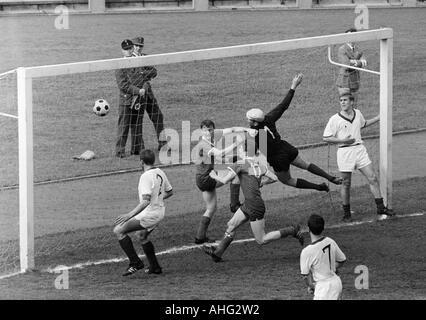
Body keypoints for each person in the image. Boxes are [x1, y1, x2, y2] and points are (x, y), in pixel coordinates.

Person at [244, 73, 342, 195]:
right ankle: (331, 178)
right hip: (286, 148)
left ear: (254, 122)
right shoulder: (269, 119)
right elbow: (283, 106)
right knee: (306, 165)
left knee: (287, 180)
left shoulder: (255, 134)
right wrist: (293, 86)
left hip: (278, 159)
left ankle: (319, 187)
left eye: (248, 119)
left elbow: (255, 154)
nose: (247, 120)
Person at [203, 154, 304, 263]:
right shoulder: (258, 166)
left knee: (261, 240)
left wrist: (213, 175)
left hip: (255, 206)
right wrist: (262, 183)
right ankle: (218, 253)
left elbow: (224, 180)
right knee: (231, 225)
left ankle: (292, 230)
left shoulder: (240, 164)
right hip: (249, 204)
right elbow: (274, 178)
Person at [323, 90, 394, 221]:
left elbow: (364, 123)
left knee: (372, 178)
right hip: (345, 152)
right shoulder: (334, 119)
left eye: (345, 100)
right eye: (341, 101)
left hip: (360, 150)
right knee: (346, 183)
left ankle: (380, 208)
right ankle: (346, 213)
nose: (342, 103)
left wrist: (379, 118)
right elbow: (326, 137)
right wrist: (343, 140)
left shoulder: (358, 113)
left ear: (351, 102)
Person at [113, 149, 173, 276]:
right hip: (159, 212)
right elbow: (170, 192)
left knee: (118, 230)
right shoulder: (160, 172)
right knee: (141, 235)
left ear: (141, 161)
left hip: (149, 214)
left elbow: (145, 201)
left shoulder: (145, 176)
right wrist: (156, 199)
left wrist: (129, 215)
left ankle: (135, 263)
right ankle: (155, 267)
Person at [194, 119, 247, 244]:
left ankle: (199, 237)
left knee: (211, 208)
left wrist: (234, 157)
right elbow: (220, 153)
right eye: (205, 129)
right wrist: (236, 144)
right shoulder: (204, 144)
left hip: (201, 178)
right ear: (201, 130)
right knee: (235, 175)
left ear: (213, 130)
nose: (208, 132)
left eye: (210, 129)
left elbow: (219, 158)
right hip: (207, 178)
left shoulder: (209, 139)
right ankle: (234, 205)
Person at [131, 36, 167, 152]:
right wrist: (144, 74)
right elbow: (131, 77)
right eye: (136, 45)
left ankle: (163, 143)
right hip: (137, 94)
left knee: (158, 116)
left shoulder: (145, 57)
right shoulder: (128, 59)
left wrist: (141, 73)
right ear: (132, 46)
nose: (138, 48)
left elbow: (154, 71)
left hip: (148, 92)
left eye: (140, 46)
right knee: (138, 120)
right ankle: (138, 147)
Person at [300, 214, 346, 300]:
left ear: (308, 229)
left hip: (324, 288)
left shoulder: (307, 251)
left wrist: (311, 286)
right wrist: (329, 267)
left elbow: (305, 276)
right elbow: (342, 260)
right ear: (323, 228)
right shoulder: (330, 241)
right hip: (336, 283)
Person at [115, 39, 148, 158]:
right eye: (126, 49)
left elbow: (144, 78)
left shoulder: (137, 62)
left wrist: (143, 88)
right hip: (126, 101)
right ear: (122, 51)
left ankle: (136, 149)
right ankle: (120, 151)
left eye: (130, 49)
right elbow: (123, 85)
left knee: (137, 125)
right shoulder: (119, 65)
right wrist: (138, 91)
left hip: (138, 99)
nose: (128, 51)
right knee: (124, 126)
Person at [336, 28, 368, 107]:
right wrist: (358, 63)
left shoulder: (358, 49)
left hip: (355, 82)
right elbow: (347, 65)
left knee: (354, 107)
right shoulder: (342, 49)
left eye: (354, 36)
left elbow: (365, 62)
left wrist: (354, 62)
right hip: (344, 83)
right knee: (346, 108)